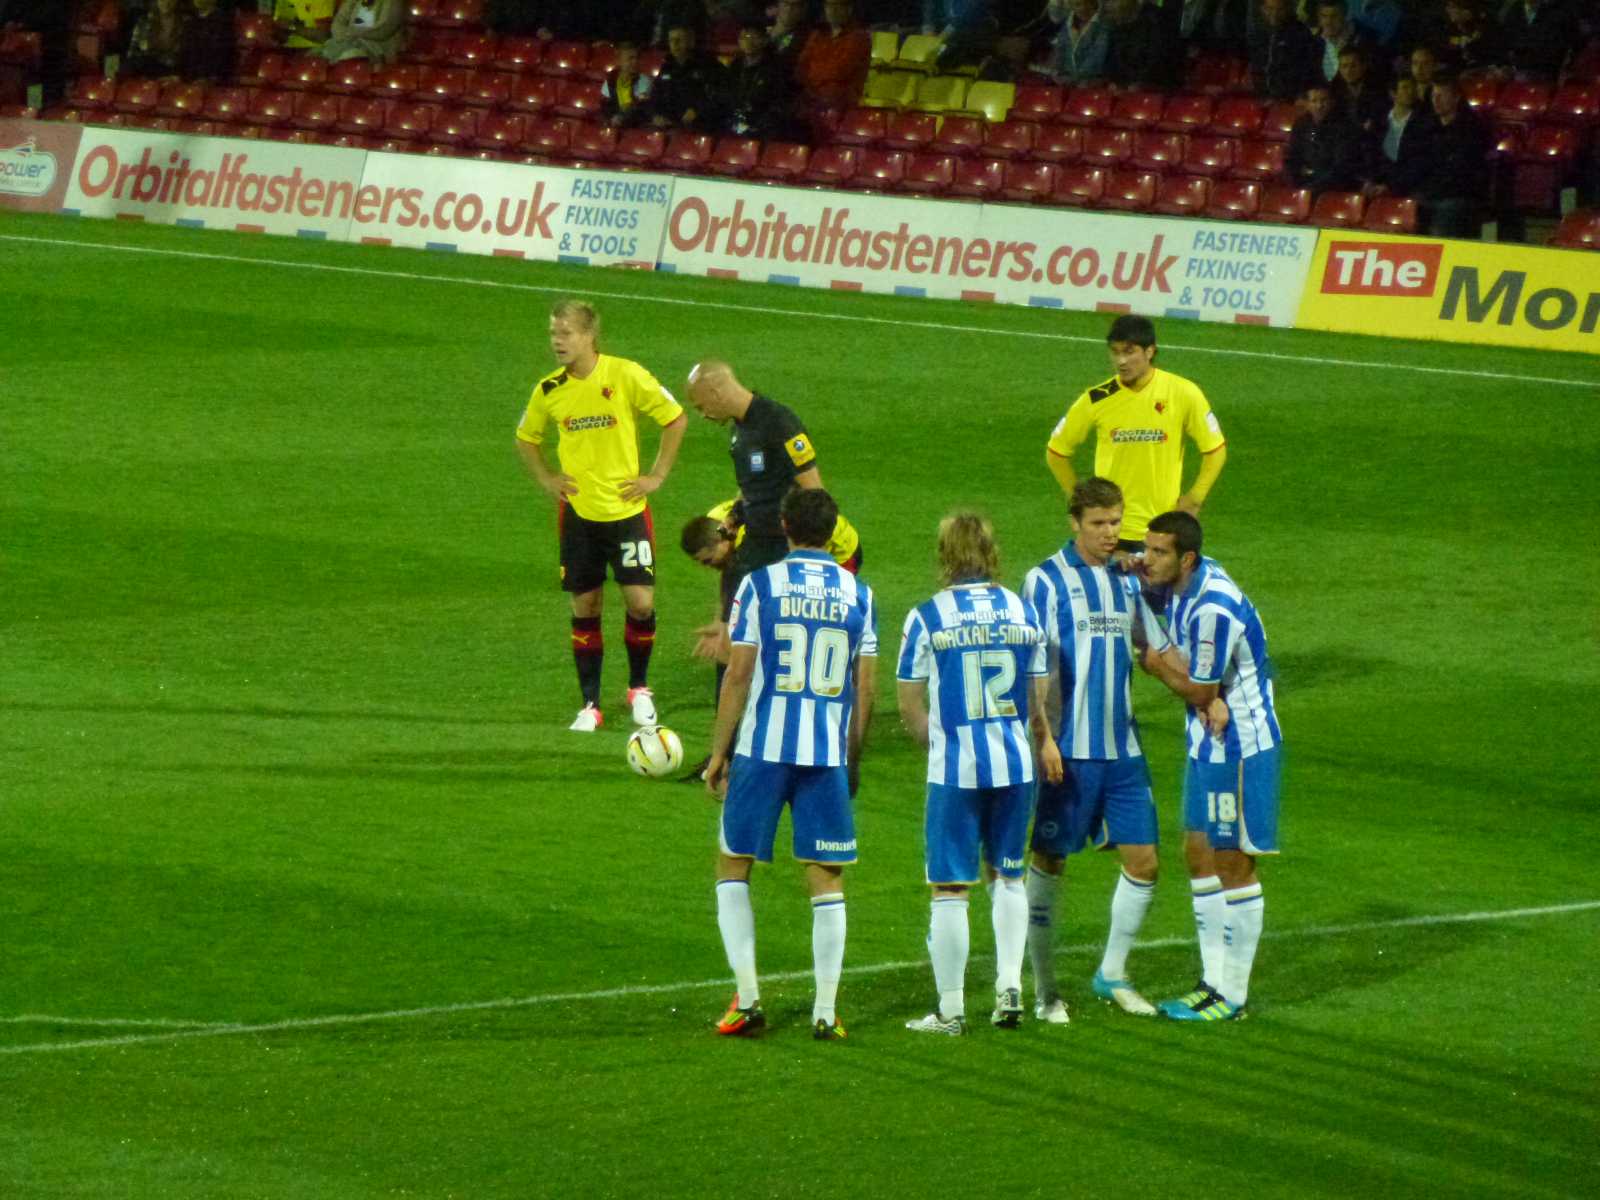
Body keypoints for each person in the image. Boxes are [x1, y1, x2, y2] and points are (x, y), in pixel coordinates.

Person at [707, 487, 878, 1041]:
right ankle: (826, 1012)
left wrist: (718, 751)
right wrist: (852, 755)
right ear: (833, 531)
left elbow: (738, 673)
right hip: (825, 754)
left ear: (783, 525)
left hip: (763, 750)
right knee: (826, 879)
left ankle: (749, 999)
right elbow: (864, 683)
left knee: (733, 865)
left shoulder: (760, 585)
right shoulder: (859, 592)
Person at [899, 513, 1060, 1036]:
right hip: (1015, 764)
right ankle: (1010, 988)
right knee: (1009, 876)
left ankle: (950, 1010)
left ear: (945, 554)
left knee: (950, 886)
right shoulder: (1023, 609)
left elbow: (909, 705)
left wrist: (939, 739)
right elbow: (1039, 698)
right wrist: (1037, 739)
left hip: (956, 769)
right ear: (992, 552)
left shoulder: (927, 616)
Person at [1024, 477, 1171, 1023]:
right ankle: (1044, 991)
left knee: (1146, 861)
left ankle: (1112, 972)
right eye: (1099, 524)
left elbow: (1149, 645)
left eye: (1116, 522)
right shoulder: (1045, 581)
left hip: (1122, 747)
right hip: (1067, 749)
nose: (1111, 534)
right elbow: (1032, 668)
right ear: (1074, 522)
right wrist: (1042, 738)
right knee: (1050, 860)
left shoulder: (1126, 579)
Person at [514, 301, 688, 733]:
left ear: (590, 336)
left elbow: (675, 418)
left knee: (641, 603)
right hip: (579, 515)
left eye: (566, 333)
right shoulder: (549, 390)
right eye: (553, 332)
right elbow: (525, 437)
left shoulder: (626, 374)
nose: (557, 340)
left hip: (627, 512)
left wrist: (657, 475)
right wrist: (546, 478)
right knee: (586, 604)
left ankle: (639, 688)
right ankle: (590, 704)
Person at [1138, 510, 1282, 1023]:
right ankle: (1211, 980)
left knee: (1233, 863)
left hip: (1239, 744)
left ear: (1187, 559)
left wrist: (1156, 664)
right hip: (1206, 739)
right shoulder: (1181, 580)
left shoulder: (1212, 609)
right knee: (1198, 852)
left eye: (1158, 552)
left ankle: (1233, 996)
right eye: (1148, 548)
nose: (1147, 559)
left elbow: (1200, 687)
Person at [1046, 314, 1226, 556]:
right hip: (1110, 531)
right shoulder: (1097, 398)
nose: (1121, 361)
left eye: (1129, 352)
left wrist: (1195, 498)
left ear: (1149, 351)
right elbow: (1056, 452)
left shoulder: (1183, 393)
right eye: (1115, 352)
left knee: (1161, 594)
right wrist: (1079, 500)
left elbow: (1215, 450)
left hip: (1163, 529)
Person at [1415, 71, 1488, 238]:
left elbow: (1463, 169)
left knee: (1448, 209)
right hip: (1429, 192)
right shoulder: (1427, 127)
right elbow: (1418, 161)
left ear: (1456, 98)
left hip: (1459, 195)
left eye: (1442, 95)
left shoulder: (1471, 129)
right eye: (1434, 95)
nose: (1436, 100)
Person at [1286, 80, 1368, 196]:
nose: (1319, 106)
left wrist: (1313, 186)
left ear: (1331, 102)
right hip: (1305, 181)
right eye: (1314, 101)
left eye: (1323, 100)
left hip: (1334, 185)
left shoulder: (1344, 127)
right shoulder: (1301, 124)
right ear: (1307, 104)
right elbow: (1293, 155)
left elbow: (1341, 166)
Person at [725, 20, 800, 141]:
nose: (748, 41)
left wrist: (757, 124)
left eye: (752, 37)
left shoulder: (776, 67)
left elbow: (780, 102)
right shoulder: (736, 66)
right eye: (743, 37)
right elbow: (727, 94)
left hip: (764, 126)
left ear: (764, 40)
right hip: (736, 121)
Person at [795, 0, 872, 113]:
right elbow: (801, 65)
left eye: (837, 5)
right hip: (811, 98)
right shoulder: (817, 35)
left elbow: (839, 71)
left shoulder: (859, 37)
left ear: (848, 9)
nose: (832, 10)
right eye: (829, 5)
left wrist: (812, 73)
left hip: (840, 104)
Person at [648, 24, 725, 131]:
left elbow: (719, 96)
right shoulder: (667, 66)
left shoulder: (709, 66)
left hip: (701, 125)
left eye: (679, 40)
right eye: (671, 40)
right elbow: (655, 96)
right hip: (670, 125)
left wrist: (697, 111)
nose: (675, 44)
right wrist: (656, 115)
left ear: (691, 41)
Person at [1371, 73, 1433, 197]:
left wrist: (1391, 186)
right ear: (1393, 94)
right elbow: (1372, 155)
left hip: (1408, 186)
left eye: (1412, 88)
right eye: (1405, 88)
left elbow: (1419, 162)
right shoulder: (1379, 122)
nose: (1410, 92)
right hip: (1381, 182)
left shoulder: (1423, 122)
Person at [1250, 0, 1321, 101]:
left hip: (1290, 100)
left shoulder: (1300, 33)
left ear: (1288, 9)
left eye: (1280, 9)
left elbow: (1308, 70)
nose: (1274, 14)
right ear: (1262, 8)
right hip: (1263, 98)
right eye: (1270, 9)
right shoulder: (1259, 34)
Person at [1105, 0, 1171, 90]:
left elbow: (1157, 60)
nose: (1108, 6)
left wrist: (1141, 82)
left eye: (1113, 1)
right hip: (1124, 87)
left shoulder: (1155, 20)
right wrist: (1114, 81)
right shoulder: (1116, 26)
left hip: (1152, 88)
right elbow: (1111, 60)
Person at [318, 0, 407, 64]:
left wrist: (350, 33)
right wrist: (351, 35)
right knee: (316, 56)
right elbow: (336, 25)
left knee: (349, 56)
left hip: (376, 51)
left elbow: (383, 30)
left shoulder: (394, 2)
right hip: (348, 43)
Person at [1046, 0, 1110, 85]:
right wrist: (1056, 71)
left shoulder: (1103, 26)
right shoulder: (1066, 24)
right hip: (1066, 82)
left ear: (1094, 4)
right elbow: (1060, 50)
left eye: (1087, 3)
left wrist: (1075, 78)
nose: (1083, 8)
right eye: (1078, 4)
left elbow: (1097, 57)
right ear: (1072, 6)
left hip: (1091, 83)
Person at [1331, 45, 1389, 135]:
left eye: (1353, 66)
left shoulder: (1378, 89)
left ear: (1364, 66)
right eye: (1344, 66)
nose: (1348, 71)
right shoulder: (1334, 90)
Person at [600, 40, 654, 127]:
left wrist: (621, 117)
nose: (635, 61)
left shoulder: (644, 81)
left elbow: (640, 109)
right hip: (614, 124)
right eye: (630, 58)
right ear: (619, 60)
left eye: (637, 58)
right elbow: (605, 106)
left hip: (635, 128)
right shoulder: (611, 80)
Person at [125, 0, 185, 78]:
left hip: (173, 73)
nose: (166, 3)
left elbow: (184, 56)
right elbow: (132, 53)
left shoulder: (184, 22)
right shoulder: (144, 21)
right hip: (146, 72)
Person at [181, 0, 237, 83]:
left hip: (213, 81)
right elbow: (187, 53)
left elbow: (223, 55)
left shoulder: (222, 22)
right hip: (191, 79)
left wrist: (210, 78)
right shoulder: (191, 22)